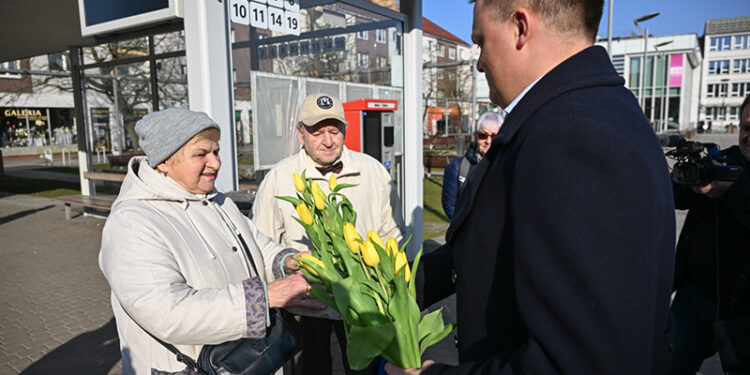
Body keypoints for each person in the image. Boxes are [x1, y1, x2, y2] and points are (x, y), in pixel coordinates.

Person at [387, 0, 676, 374]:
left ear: (520, 27)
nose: (479, 62)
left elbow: (583, 364)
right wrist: (385, 284)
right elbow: (498, 249)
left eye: (481, 42)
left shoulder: (572, 135)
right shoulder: (581, 112)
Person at [99, 108, 324, 375]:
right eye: (201, 154)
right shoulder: (132, 223)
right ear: (163, 161)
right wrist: (265, 297)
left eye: (215, 151)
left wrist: (285, 262)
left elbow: (255, 245)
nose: (215, 163)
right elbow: (166, 312)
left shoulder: (218, 200)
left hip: (245, 359)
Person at [251, 93, 403, 375]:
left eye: (334, 131)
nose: (328, 141)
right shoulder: (280, 178)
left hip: (363, 305)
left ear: (345, 130)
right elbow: (261, 243)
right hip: (306, 306)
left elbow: (392, 233)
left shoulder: (372, 172)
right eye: (317, 132)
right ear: (300, 133)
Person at [669, 94, 750, 374]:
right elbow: (678, 199)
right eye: (746, 127)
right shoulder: (723, 160)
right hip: (692, 297)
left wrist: (730, 193)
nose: (748, 136)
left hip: (742, 311)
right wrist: (687, 181)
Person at [441, 112, 503, 219]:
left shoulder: (511, 166)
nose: (488, 141)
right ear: (475, 136)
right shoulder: (456, 168)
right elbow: (450, 207)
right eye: (483, 135)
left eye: (494, 136)